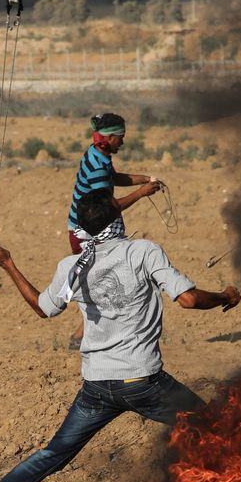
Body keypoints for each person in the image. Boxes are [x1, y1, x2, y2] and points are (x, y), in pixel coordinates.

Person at [0, 191, 241, 482]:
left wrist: (8, 264)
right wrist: (225, 297)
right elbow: (188, 299)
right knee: (216, 430)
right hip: (143, 382)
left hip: (97, 385)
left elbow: (43, 308)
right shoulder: (142, 252)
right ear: (117, 220)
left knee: (52, 454)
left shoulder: (73, 265)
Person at [67, 112, 161, 348]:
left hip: (87, 228)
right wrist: (142, 193)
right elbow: (110, 208)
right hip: (89, 232)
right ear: (109, 139)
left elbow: (113, 178)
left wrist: (142, 179)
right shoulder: (98, 166)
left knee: (99, 282)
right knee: (103, 283)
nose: (123, 141)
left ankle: (81, 334)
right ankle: (82, 336)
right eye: (121, 137)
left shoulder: (97, 154)